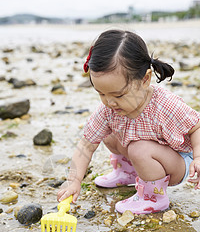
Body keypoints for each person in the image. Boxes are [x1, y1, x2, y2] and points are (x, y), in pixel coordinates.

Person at [57, 29, 200, 214]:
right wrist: (74, 181)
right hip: (146, 154)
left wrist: (197, 158)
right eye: (101, 93)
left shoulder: (165, 105)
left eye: (118, 94)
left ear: (145, 79)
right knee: (106, 134)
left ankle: (153, 197)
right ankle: (128, 173)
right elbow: (86, 144)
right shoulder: (109, 110)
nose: (109, 102)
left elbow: (196, 126)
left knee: (139, 148)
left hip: (177, 162)